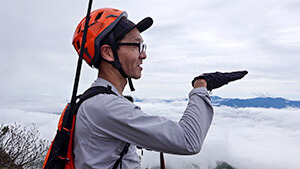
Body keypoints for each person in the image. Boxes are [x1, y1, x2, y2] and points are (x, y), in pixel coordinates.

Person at [72, 8, 247, 169]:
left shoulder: (97, 100)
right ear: (108, 52)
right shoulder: (105, 106)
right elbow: (189, 140)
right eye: (136, 45)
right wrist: (201, 86)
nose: (144, 54)